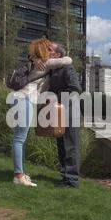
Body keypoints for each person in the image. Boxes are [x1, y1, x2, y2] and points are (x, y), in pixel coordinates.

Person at [12, 38, 72, 187]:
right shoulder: (46, 63)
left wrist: (34, 57)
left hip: (23, 100)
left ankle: (21, 174)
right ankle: (18, 176)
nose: (50, 51)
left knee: (22, 139)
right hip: (24, 100)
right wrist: (37, 57)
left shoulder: (38, 62)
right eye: (49, 49)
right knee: (20, 139)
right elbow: (68, 60)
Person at [48, 43, 82, 189]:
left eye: (50, 50)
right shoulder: (53, 69)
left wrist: (53, 97)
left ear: (57, 55)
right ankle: (66, 177)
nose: (47, 52)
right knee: (62, 146)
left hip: (70, 112)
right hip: (60, 113)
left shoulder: (67, 68)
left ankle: (72, 181)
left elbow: (75, 89)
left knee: (70, 146)